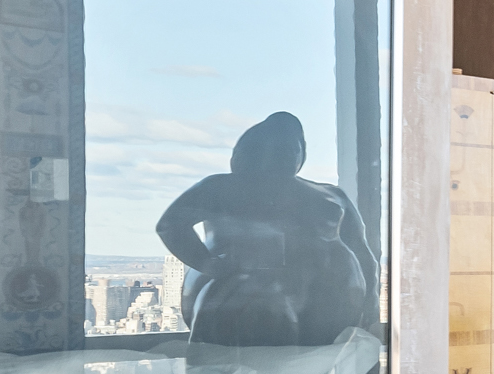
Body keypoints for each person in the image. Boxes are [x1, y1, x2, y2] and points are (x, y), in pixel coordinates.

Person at [154, 112, 378, 346]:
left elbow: (361, 250)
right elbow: (170, 226)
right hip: (243, 301)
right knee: (231, 369)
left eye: (293, 147)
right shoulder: (221, 188)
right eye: (276, 148)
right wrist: (210, 265)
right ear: (251, 151)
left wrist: (370, 298)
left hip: (329, 307)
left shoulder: (333, 195)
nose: (287, 154)